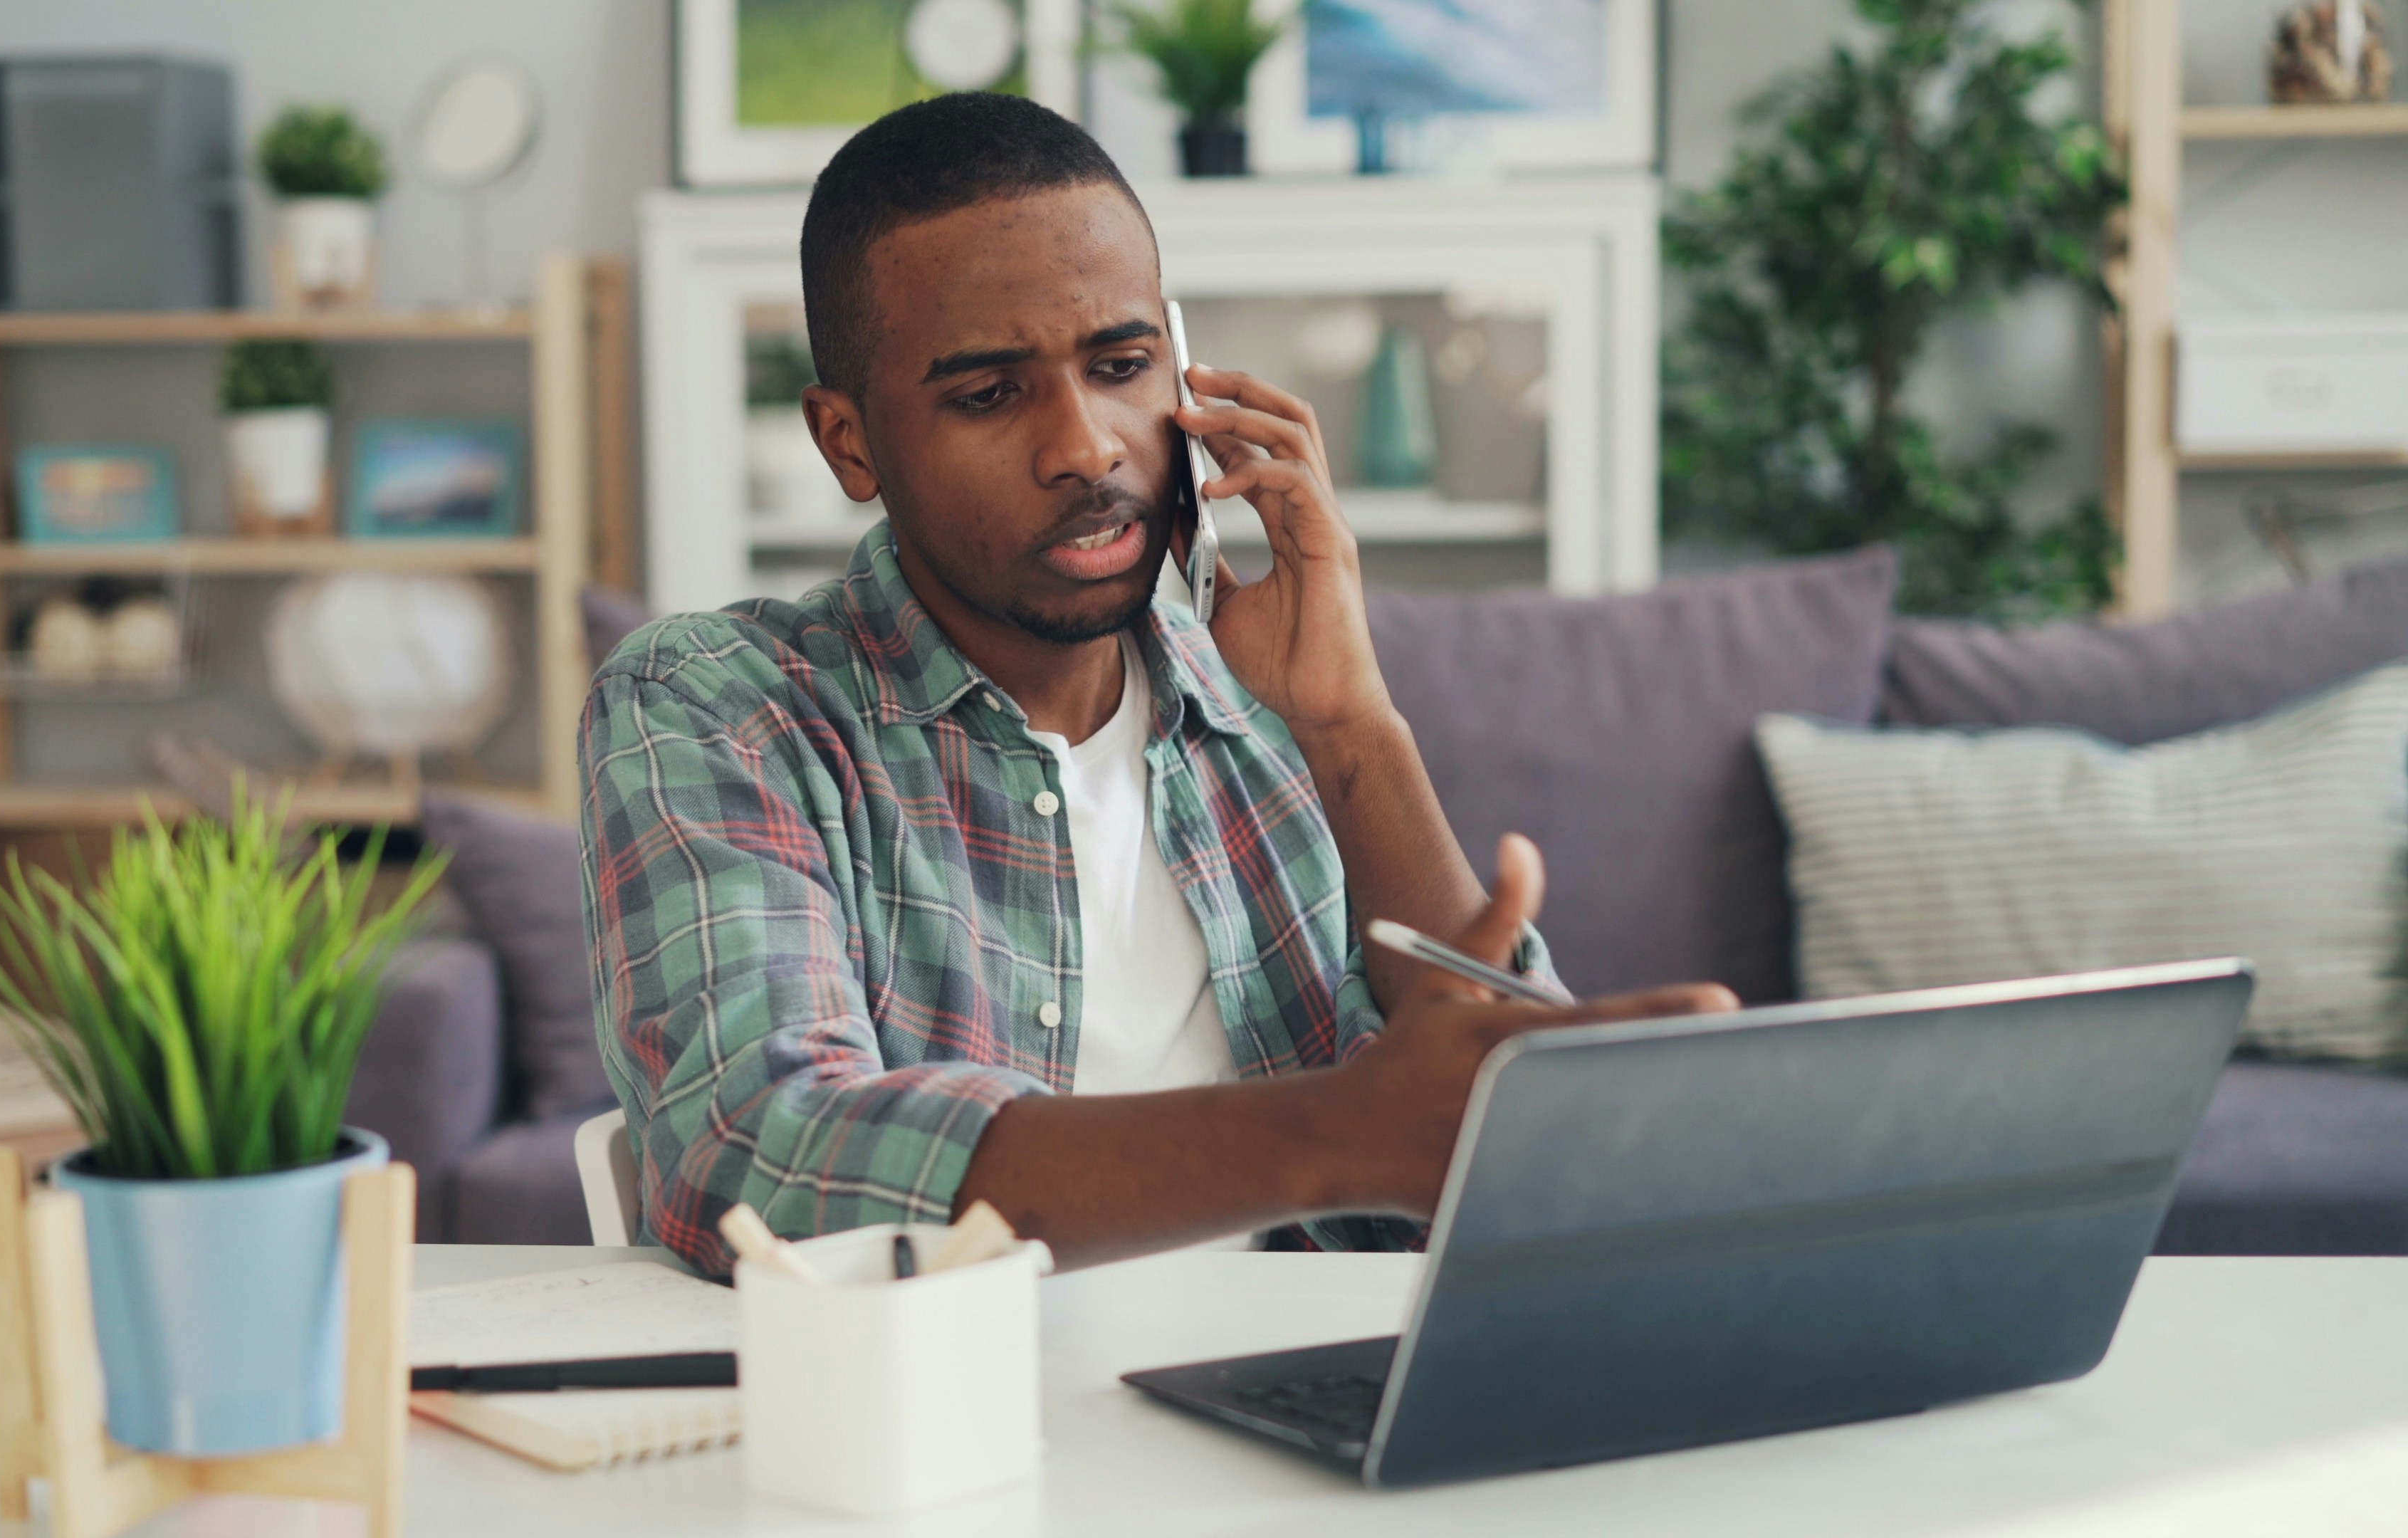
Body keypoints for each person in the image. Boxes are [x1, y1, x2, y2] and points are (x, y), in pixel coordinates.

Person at [582, 93, 1732, 1275]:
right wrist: (1342, 1135)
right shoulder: (723, 707)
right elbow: (758, 1161)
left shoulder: (1266, 715)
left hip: (1299, 1412)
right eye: (986, 393)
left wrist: (1353, 729)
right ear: (850, 444)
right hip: (956, 1432)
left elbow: (1538, 1175)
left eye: (1123, 365)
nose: (1087, 447)